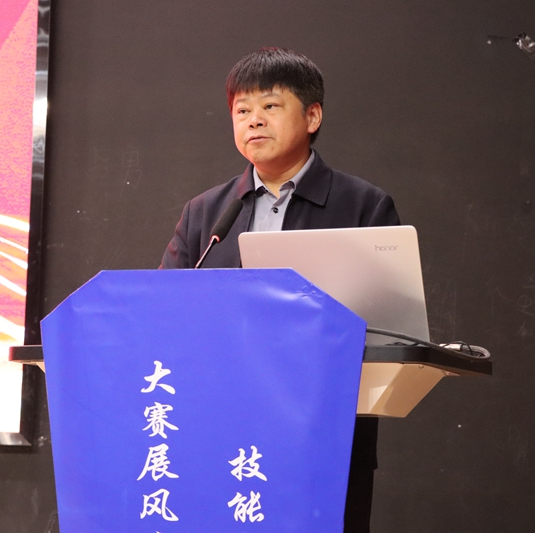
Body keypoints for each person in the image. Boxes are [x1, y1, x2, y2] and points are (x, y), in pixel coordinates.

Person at [160, 47, 400, 532]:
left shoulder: (363, 206)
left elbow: (387, 328)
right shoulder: (205, 213)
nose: (253, 120)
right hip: (219, 431)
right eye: (242, 110)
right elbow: (164, 313)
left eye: (270, 106)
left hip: (321, 436)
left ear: (312, 116)